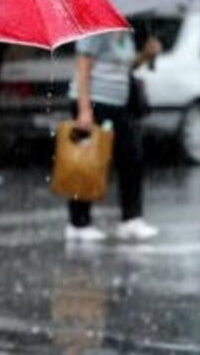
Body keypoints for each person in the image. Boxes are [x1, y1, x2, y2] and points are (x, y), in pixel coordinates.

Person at [65, 30, 161, 242]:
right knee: (88, 162)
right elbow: (83, 67)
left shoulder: (125, 33)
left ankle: (131, 219)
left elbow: (124, 68)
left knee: (131, 158)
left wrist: (145, 55)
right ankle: (78, 222)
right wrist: (84, 109)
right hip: (95, 103)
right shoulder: (95, 30)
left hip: (119, 104)